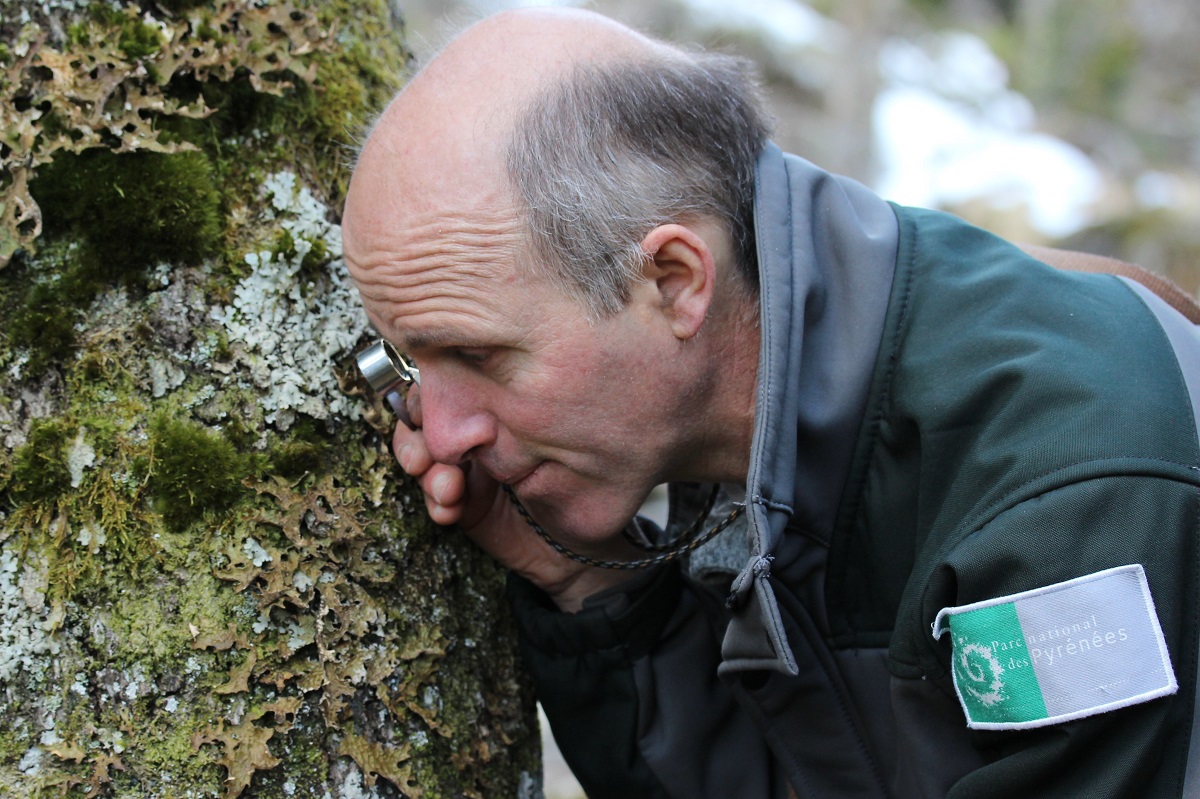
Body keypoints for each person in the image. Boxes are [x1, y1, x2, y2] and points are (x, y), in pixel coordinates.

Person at [342, 8, 1200, 798]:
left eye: (479, 354)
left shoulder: (1067, 502)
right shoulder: (760, 412)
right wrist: (584, 578)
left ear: (674, 282)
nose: (443, 433)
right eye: (409, 361)